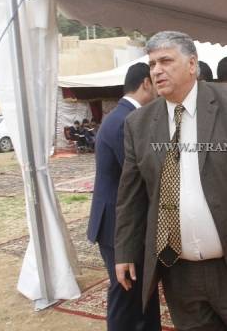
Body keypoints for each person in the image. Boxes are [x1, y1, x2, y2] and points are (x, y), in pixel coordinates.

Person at [114, 31, 227, 331]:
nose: (157, 70)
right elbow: (131, 197)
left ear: (192, 64)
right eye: (152, 64)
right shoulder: (138, 124)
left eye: (165, 61)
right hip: (179, 272)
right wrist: (124, 251)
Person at [87, 63, 159, 331]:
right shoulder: (125, 121)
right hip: (117, 224)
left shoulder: (122, 116)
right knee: (126, 292)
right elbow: (141, 174)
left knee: (140, 289)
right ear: (146, 83)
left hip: (120, 220)